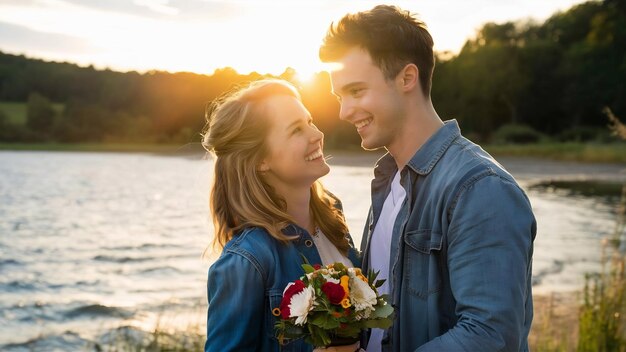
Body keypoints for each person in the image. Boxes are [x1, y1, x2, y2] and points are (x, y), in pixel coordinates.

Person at [319, 5, 536, 352]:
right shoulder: (389, 182)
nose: (344, 111)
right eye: (340, 96)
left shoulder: (480, 188)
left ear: (407, 78)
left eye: (356, 91)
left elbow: (491, 336)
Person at [202, 79, 361, 352]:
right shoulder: (248, 260)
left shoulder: (334, 216)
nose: (316, 134)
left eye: (309, 121)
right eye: (296, 130)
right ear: (261, 160)